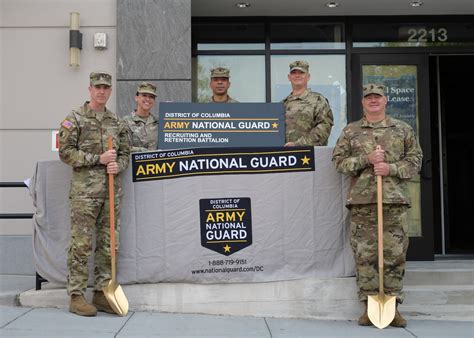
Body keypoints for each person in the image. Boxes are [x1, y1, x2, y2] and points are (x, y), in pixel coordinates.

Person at [332, 83, 423, 327]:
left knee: (394, 256)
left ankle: (392, 307)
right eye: (368, 97)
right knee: (365, 256)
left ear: (386, 100)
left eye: (378, 97)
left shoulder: (402, 129)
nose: (373, 100)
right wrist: (366, 159)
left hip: (394, 201)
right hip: (363, 202)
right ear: (363, 102)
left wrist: (390, 168)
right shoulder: (351, 131)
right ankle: (369, 306)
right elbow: (338, 162)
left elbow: (415, 161)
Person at [58, 71, 130, 317]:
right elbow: (65, 152)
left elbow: (125, 154)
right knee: (82, 244)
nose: (102, 91)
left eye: (106, 88)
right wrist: (97, 159)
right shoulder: (75, 118)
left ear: (110, 91)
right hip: (85, 195)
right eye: (97, 87)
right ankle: (76, 296)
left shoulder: (117, 122)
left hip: (111, 194)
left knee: (109, 245)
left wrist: (117, 165)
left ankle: (101, 293)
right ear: (90, 89)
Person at [283, 60, 334, 146]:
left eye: (301, 73)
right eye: (294, 73)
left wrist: (299, 144)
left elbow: (324, 128)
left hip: (310, 155)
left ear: (308, 77)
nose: (297, 75)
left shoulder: (318, 100)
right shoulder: (283, 104)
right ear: (289, 77)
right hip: (285, 156)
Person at [122, 82, 159, 152]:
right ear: (136, 98)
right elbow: (124, 148)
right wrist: (148, 152)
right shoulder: (126, 122)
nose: (147, 99)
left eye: (151, 97)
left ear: (154, 101)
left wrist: (169, 110)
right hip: (134, 162)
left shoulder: (158, 123)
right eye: (144, 95)